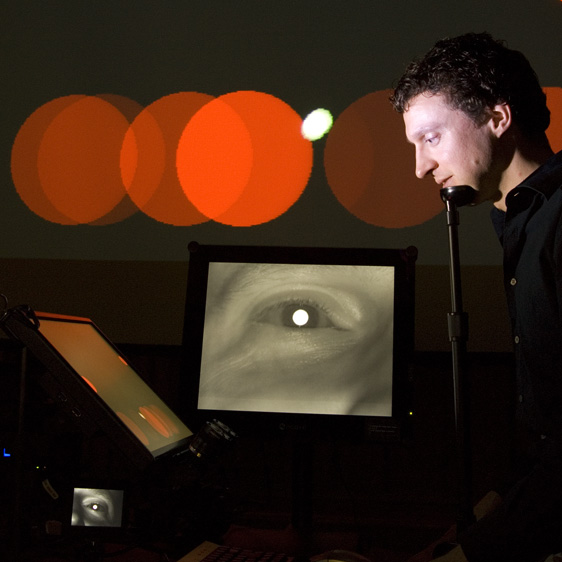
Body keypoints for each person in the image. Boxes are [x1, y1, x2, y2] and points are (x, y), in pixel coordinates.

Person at [390, 32, 562, 562]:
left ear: (498, 117)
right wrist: (496, 505)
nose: (420, 167)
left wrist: (478, 552)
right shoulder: (517, 221)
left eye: (432, 138)